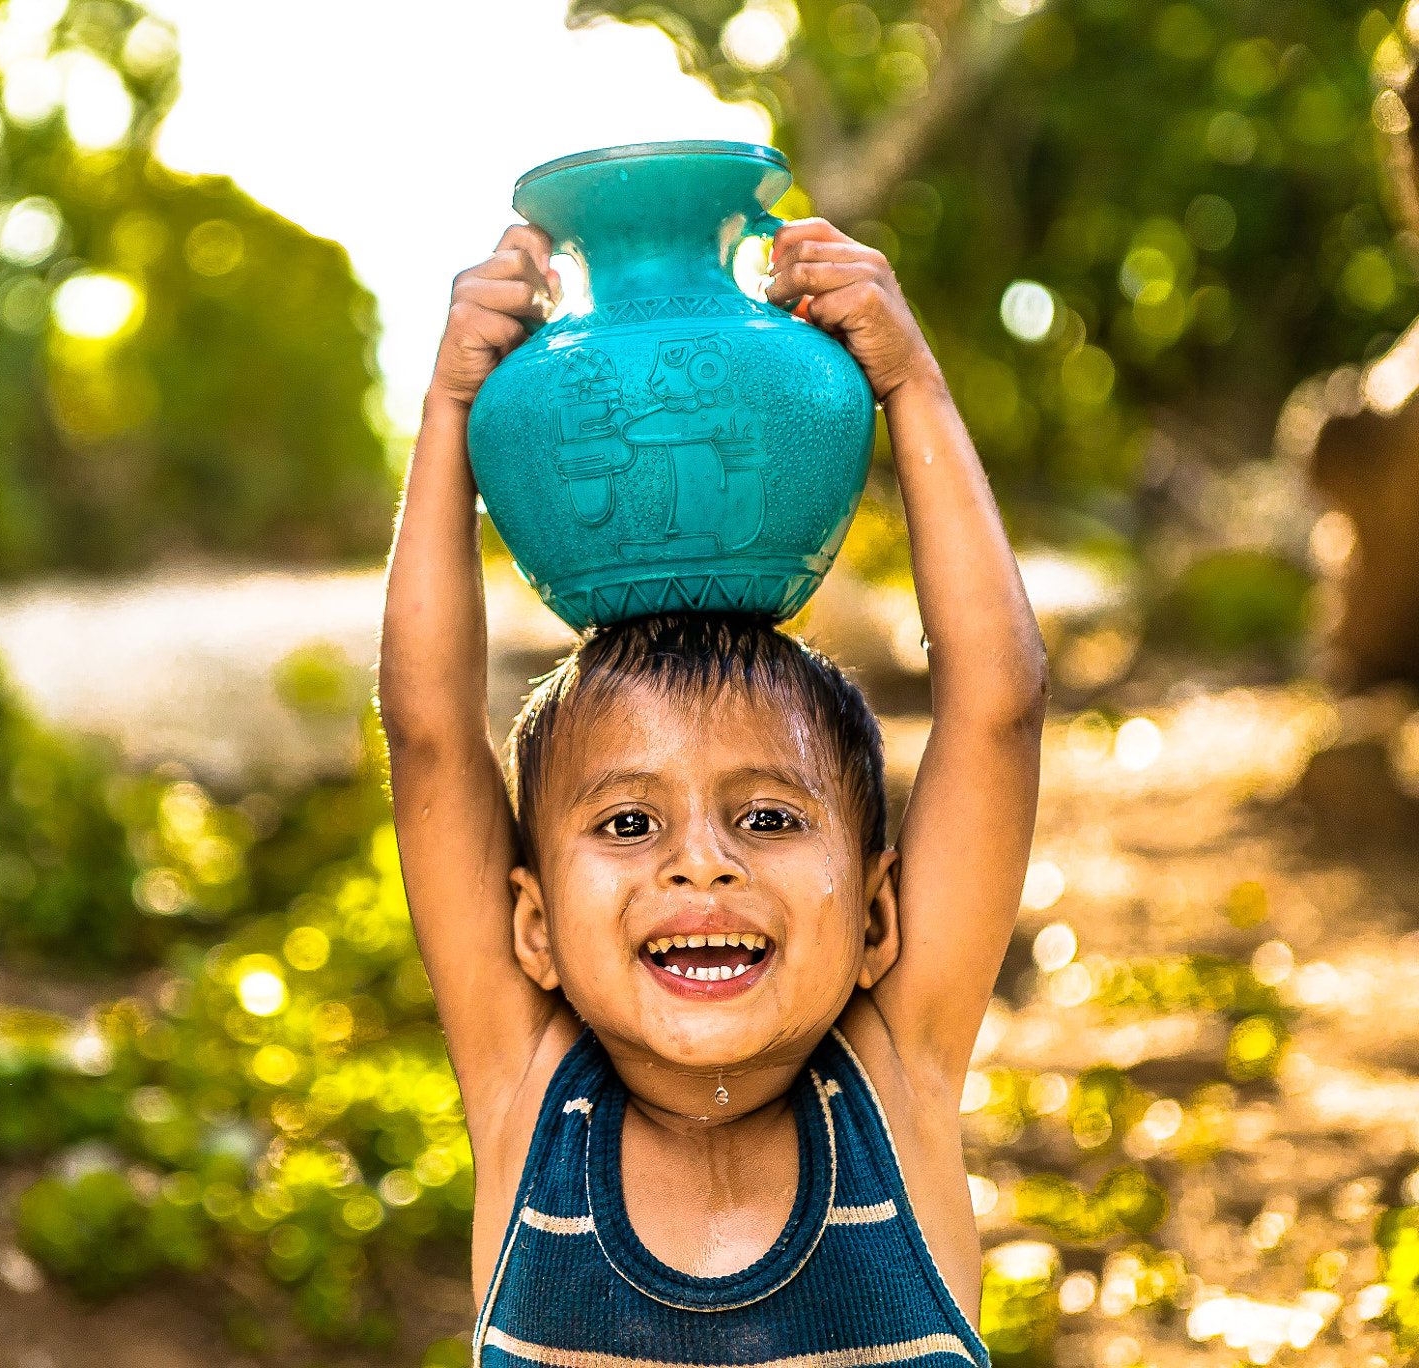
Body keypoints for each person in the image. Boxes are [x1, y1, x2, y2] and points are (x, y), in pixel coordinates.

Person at [376, 217, 1047, 1365]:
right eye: (629, 823)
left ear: (877, 916)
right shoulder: (526, 1101)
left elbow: (997, 707)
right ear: (530, 924)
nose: (701, 863)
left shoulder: (894, 1088)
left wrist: (909, 385)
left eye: (768, 818)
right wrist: (447, 411)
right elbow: (429, 733)